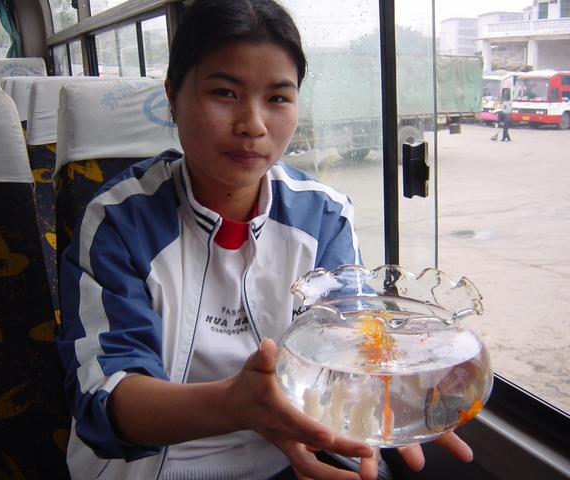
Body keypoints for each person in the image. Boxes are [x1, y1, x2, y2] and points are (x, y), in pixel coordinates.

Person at [57, 1, 473, 479]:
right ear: (173, 96)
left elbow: (347, 348)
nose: (253, 125)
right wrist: (237, 404)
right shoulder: (118, 222)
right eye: (224, 92)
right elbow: (106, 400)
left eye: (278, 98)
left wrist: (392, 383)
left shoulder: (323, 216)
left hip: (291, 456)